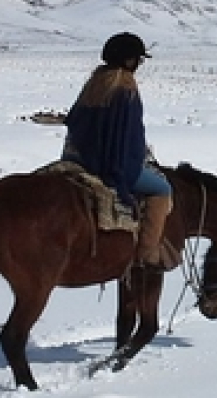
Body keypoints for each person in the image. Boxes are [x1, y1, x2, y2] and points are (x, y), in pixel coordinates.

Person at [61, 32, 178, 268]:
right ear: (129, 60)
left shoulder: (95, 83)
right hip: (108, 166)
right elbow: (125, 138)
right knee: (163, 189)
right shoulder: (125, 88)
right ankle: (147, 253)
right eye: (138, 60)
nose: (139, 65)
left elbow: (75, 122)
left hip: (76, 160)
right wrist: (126, 169)